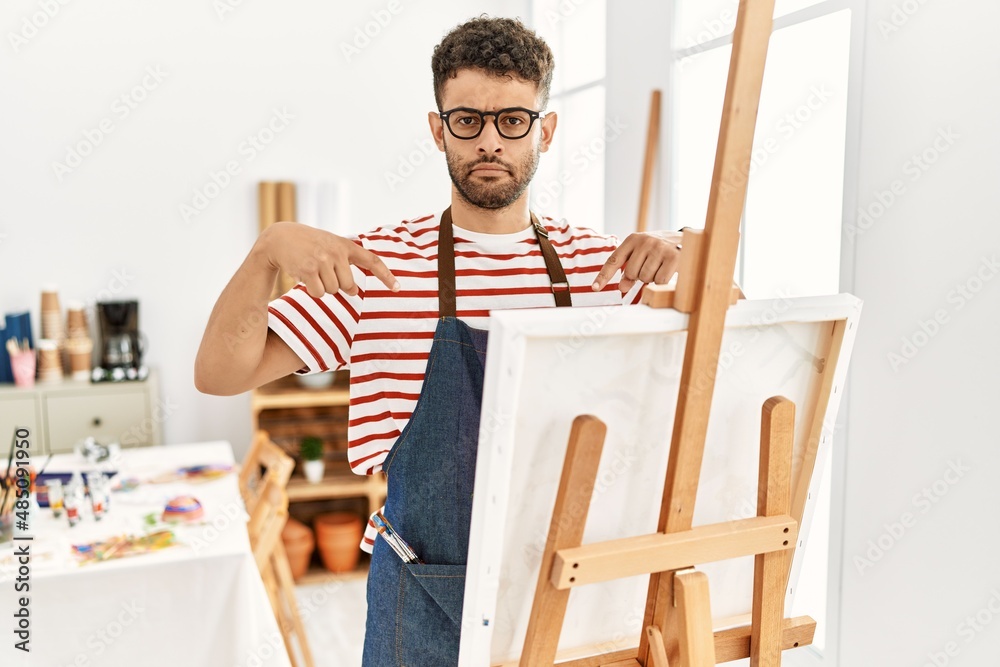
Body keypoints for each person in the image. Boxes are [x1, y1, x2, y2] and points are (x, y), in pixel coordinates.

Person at [195, 15, 683, 666]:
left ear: (547, 129)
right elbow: (220, 372)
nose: (490, 141)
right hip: (423, 597)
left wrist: (688, 247)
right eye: (467, 120)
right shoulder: (377, 268)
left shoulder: (605, 269)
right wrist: (265, 253)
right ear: (437, 129)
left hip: (571, 591)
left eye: (513, 120)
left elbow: (725, 330)